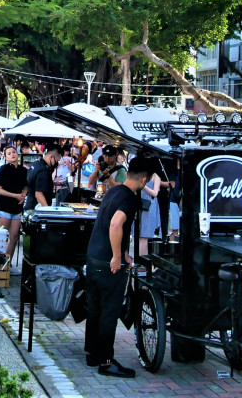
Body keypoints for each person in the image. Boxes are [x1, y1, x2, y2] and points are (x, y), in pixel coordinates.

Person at [84, 157, 154, 378]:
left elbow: (107, 222)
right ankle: (106, 361)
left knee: (94, 307)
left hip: (93, 256)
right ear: (143, 180)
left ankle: (92, 353)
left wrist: (123, 251)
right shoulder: (130, 199)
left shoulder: (113, 191)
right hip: (108, 262)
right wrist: (116, 256)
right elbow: (115, 223)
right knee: (109, 311)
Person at [0, 146, 28, 269]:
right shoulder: (3, 169)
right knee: (1, 237)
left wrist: (23, 195)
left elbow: (25, 187)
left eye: (14, 152)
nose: (12, 155)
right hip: (4, 206)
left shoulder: (23, 170)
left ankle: (8, 264)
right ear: (6, 157)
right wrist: (15, 196)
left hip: (17, 208)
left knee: (14, 237)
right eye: (9, 153)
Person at [25, 145, 61, 210]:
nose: (57, 163)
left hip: (29, 204)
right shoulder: (43, 170)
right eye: (57, 160)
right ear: (51, 157)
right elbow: (39, 194)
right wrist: (47, 211)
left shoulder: (35, 164)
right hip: (36, 209)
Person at [138, 169, 162, 256]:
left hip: (149, 206)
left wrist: (144, 186)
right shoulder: (141, 173)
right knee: (141, 235)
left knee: (145, 235)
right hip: (140, 203)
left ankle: (141, 259)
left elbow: (155, 193)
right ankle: (143, 258)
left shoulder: (156, 176)